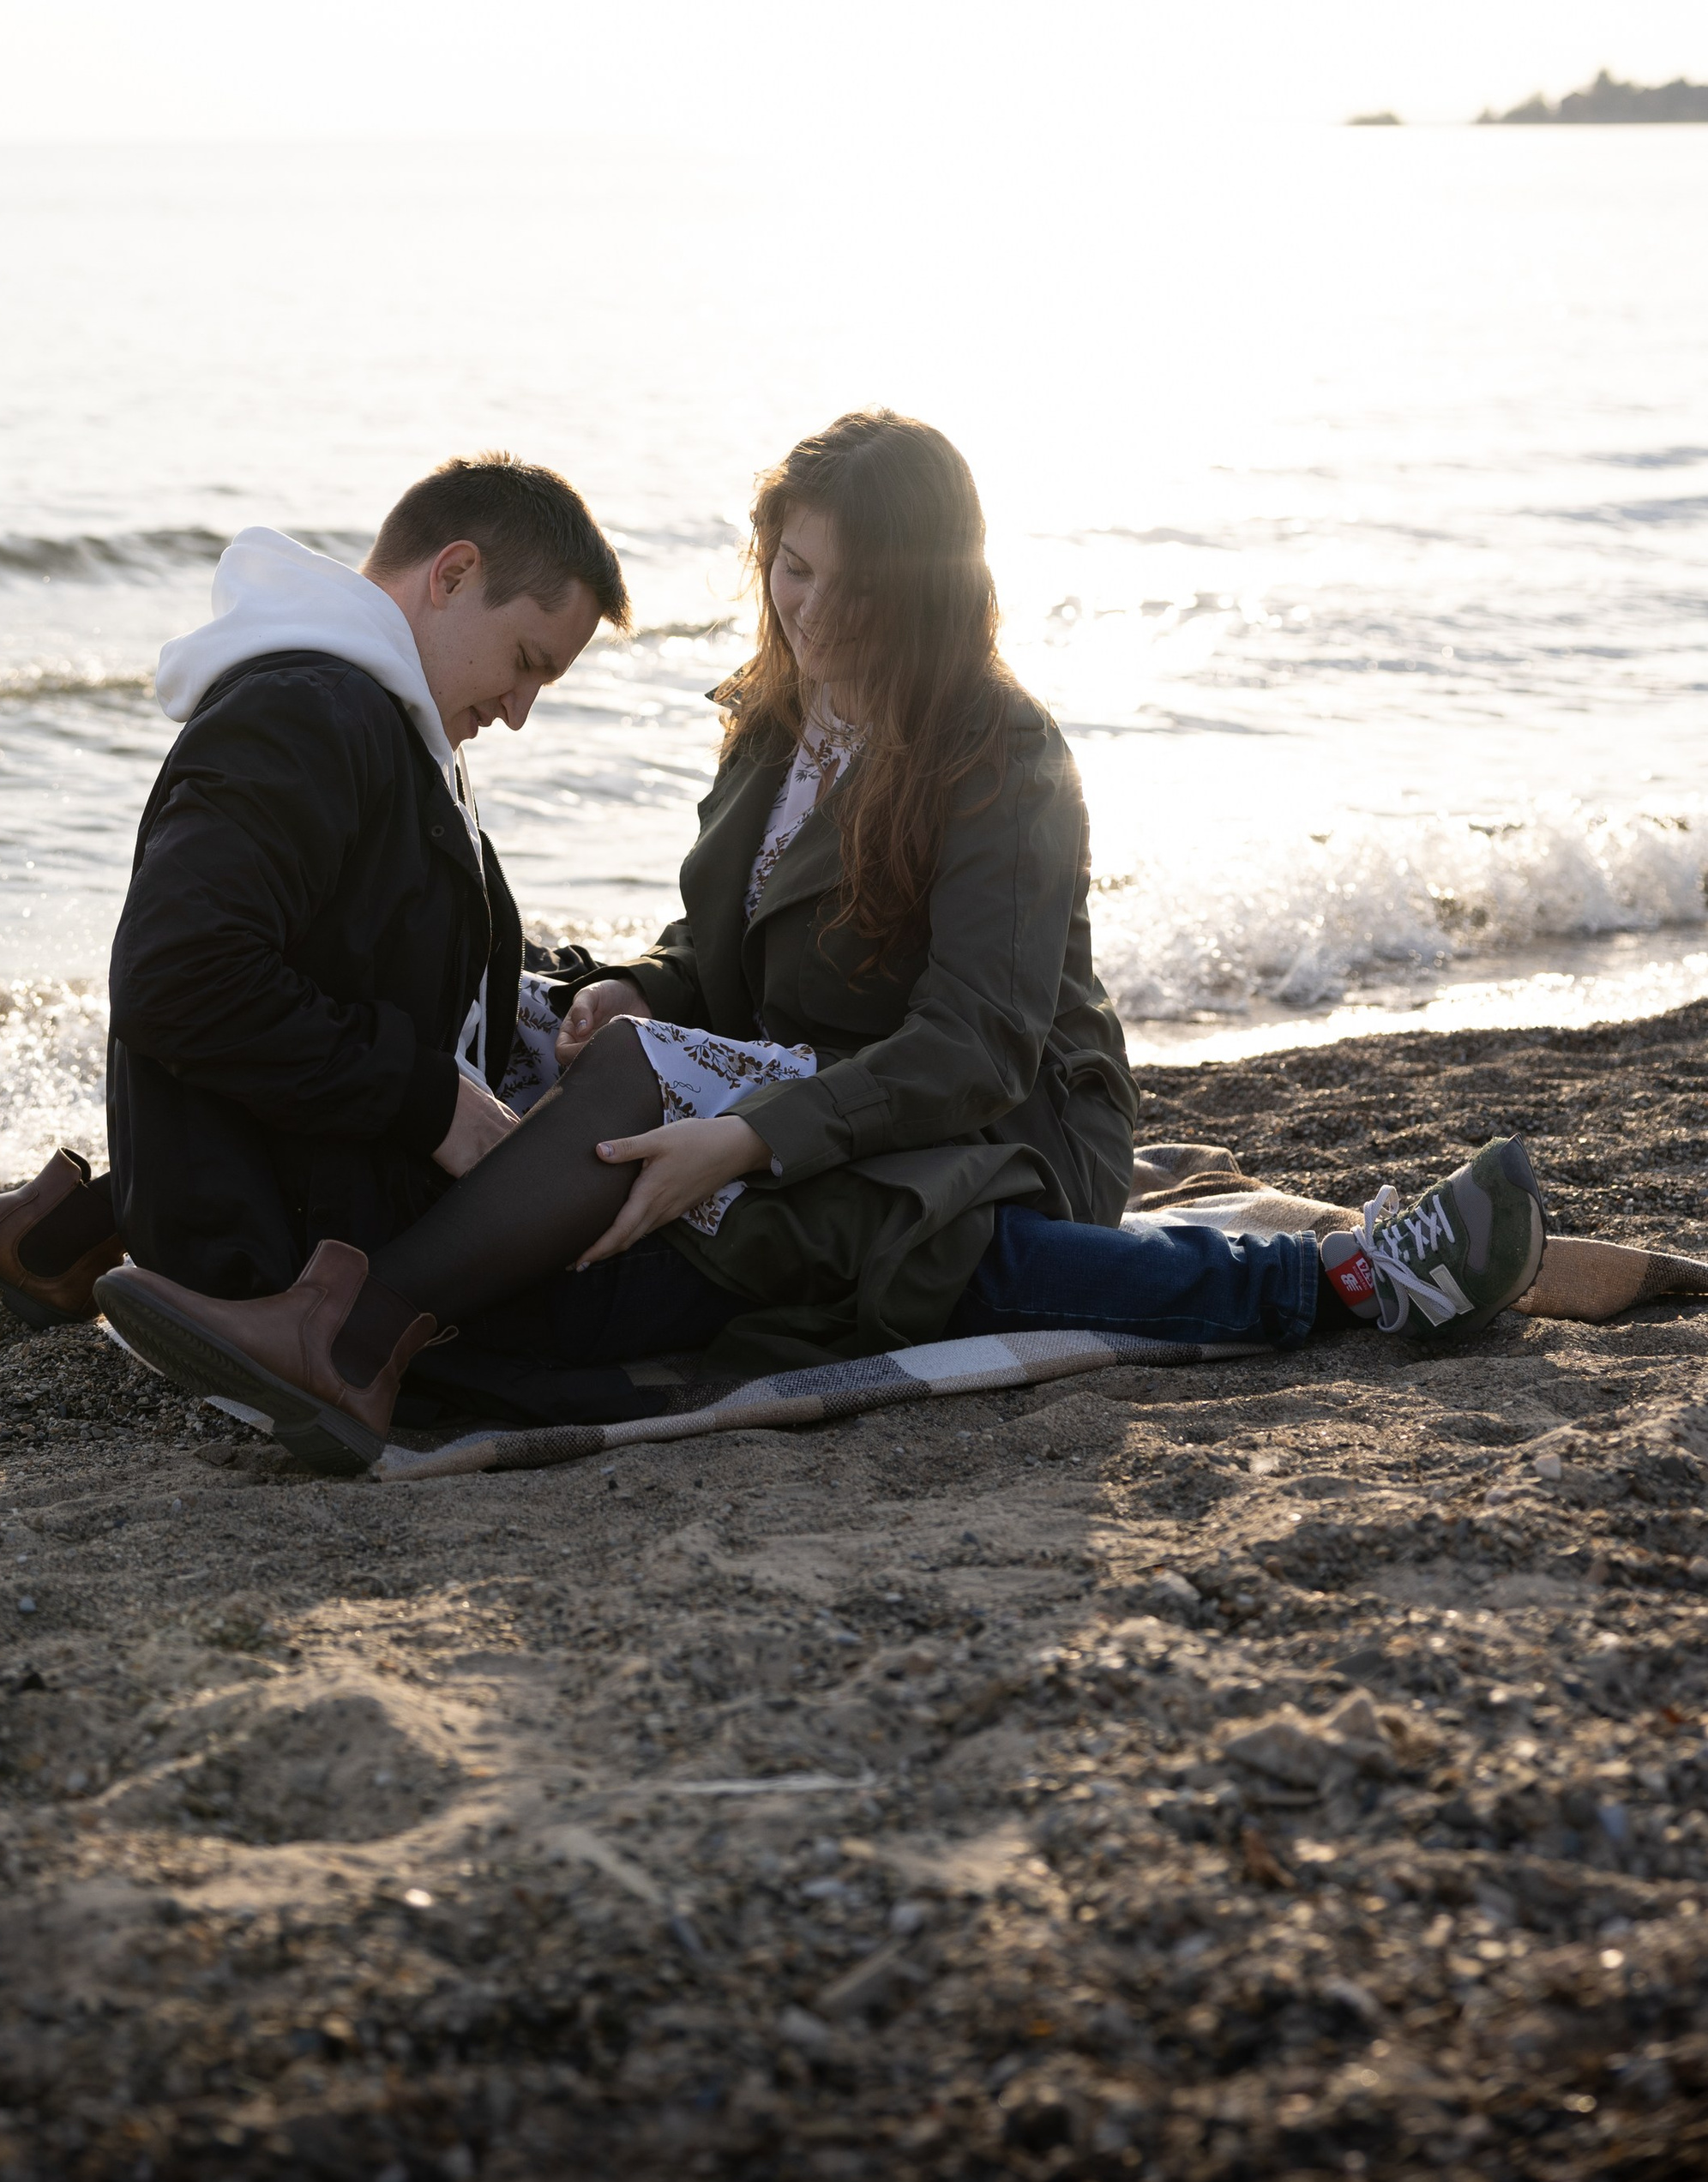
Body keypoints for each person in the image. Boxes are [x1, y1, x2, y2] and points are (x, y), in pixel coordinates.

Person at [98, 412, 1555, 1474]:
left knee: (939, 1250)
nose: (799, 607)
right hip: (800, 1076)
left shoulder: (999, 750)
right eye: (784, 567)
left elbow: (976, 1042)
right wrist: (631, 990)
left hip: (991, 1120)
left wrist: (748, 1138)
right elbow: (712, 960)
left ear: (913, 586)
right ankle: (260, 1267)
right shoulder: (774, 727)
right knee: (593, 1046)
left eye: (835, 580)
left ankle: (1346, 1277)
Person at [0, 454, 625, 1319]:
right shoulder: (307, 712)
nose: (519, 711)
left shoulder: (392, 720)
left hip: (322, 1207)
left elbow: (394, 954)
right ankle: (85, 1232)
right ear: (451, 574)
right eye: (525, 661)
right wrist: (428, 1101)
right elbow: (178, 979)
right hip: (291, 1265)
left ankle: (64, 1233)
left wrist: (583, 991)